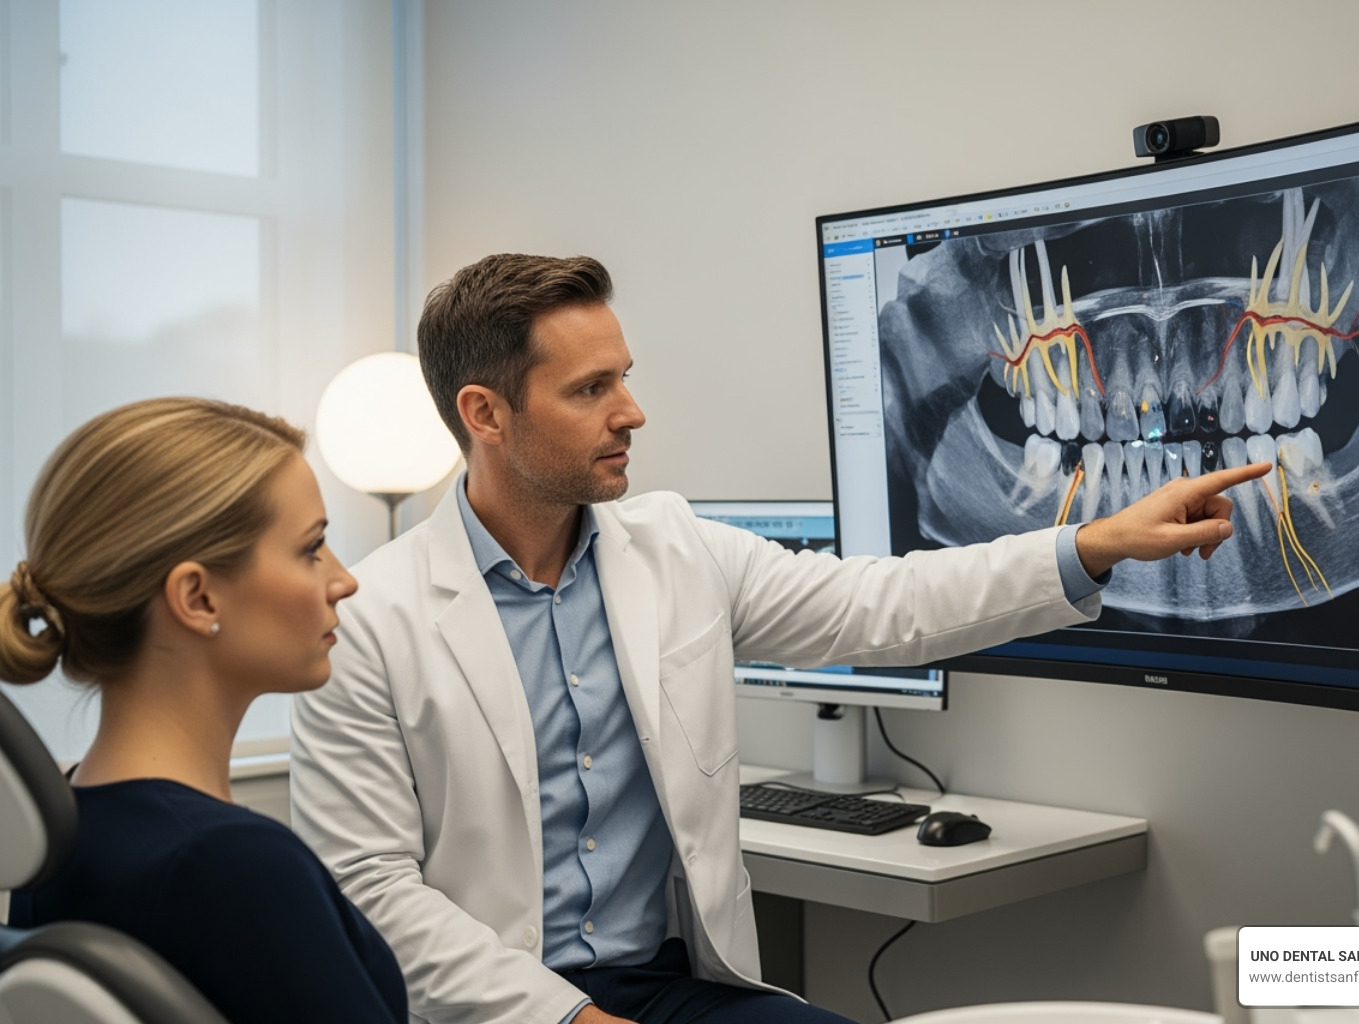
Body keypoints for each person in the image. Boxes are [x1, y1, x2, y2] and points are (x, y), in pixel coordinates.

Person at [289, 254, 1268, 1024]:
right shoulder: (368, 618)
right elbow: (369, 893)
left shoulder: (671, 546)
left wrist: (1095, 543)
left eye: (624, 378)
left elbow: (881, 606)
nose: (633, 411)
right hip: (491, 1008)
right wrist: (571, 1020)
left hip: (677, 989)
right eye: (591, 390)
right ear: (484, 414)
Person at [0, 397, 407, 1024]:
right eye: (312, 547)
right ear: (197, 596)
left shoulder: (65, 834)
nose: (343, 579)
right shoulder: (236, 867)